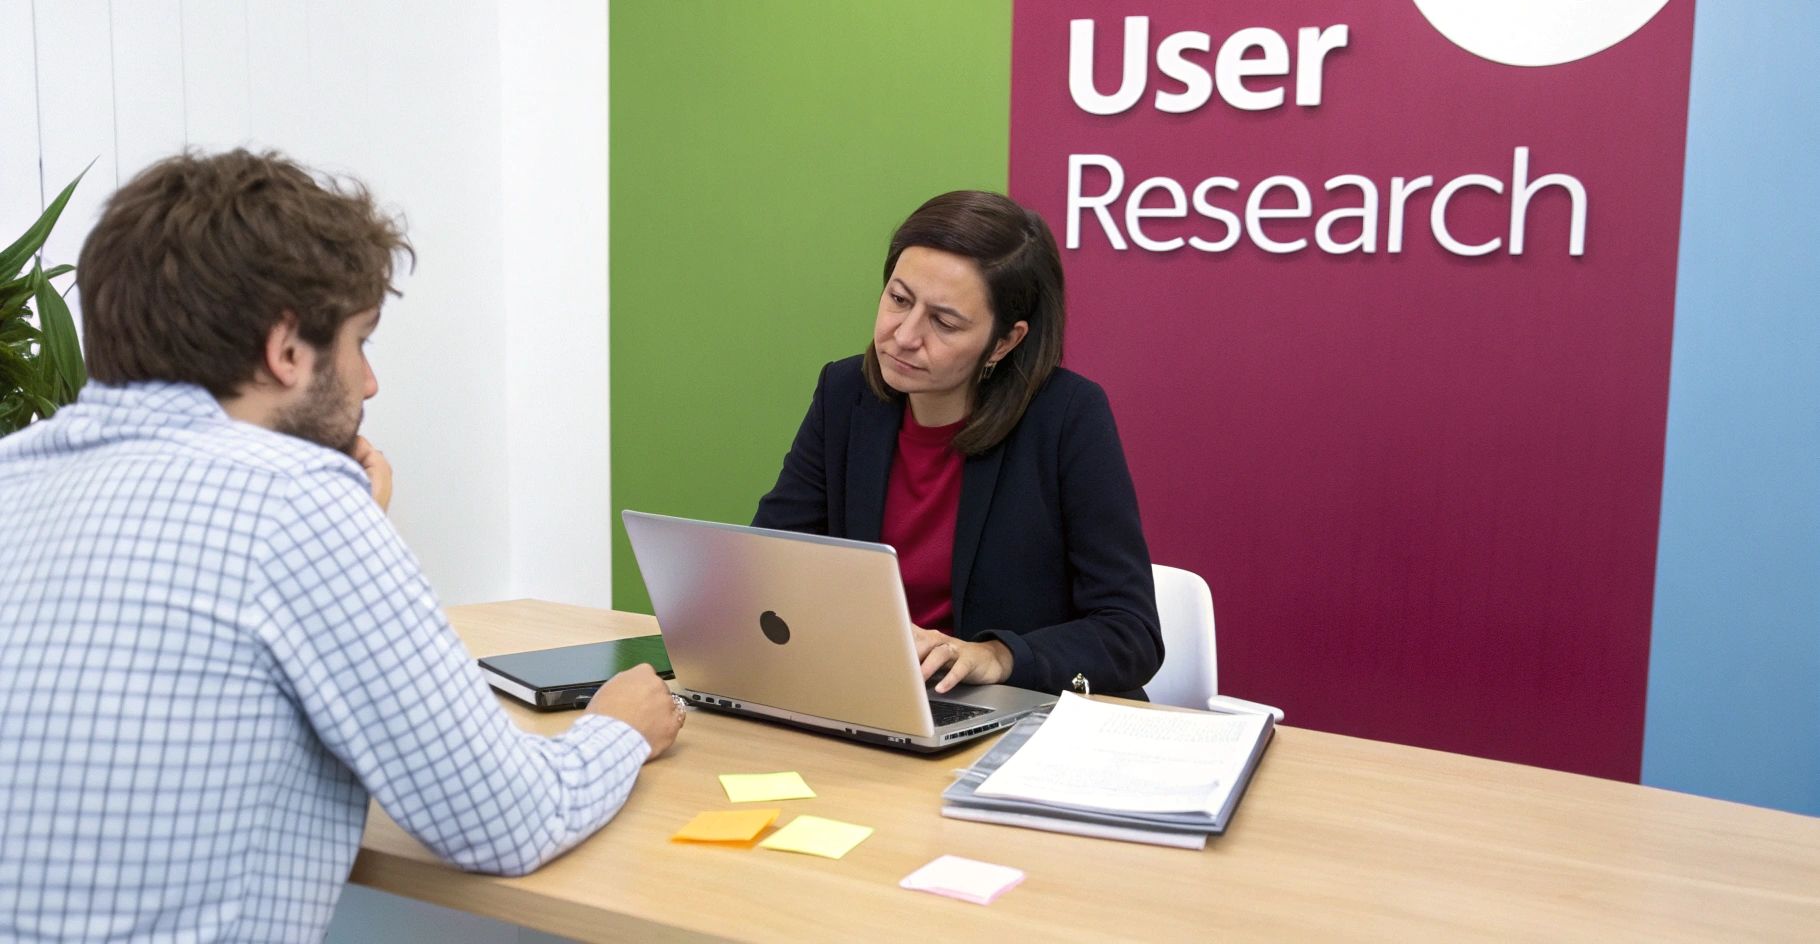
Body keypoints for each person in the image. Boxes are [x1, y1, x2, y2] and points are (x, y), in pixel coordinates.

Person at [0, 150, 683, 942]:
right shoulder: (294, 499)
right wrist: (618, 728)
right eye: (360, 341)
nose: (369, 383)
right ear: (286, 350)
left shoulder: (16, 472)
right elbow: (508, 822)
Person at [754, 190, 1163, 699]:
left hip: (1018, 719)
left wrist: (999, 656)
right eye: (899, 300)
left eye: (944, 322)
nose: (903, 335)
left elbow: (1130, 633)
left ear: (1005, 341)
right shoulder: (846, 395)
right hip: (872, 698)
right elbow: (767, 563)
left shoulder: (1066, 417)